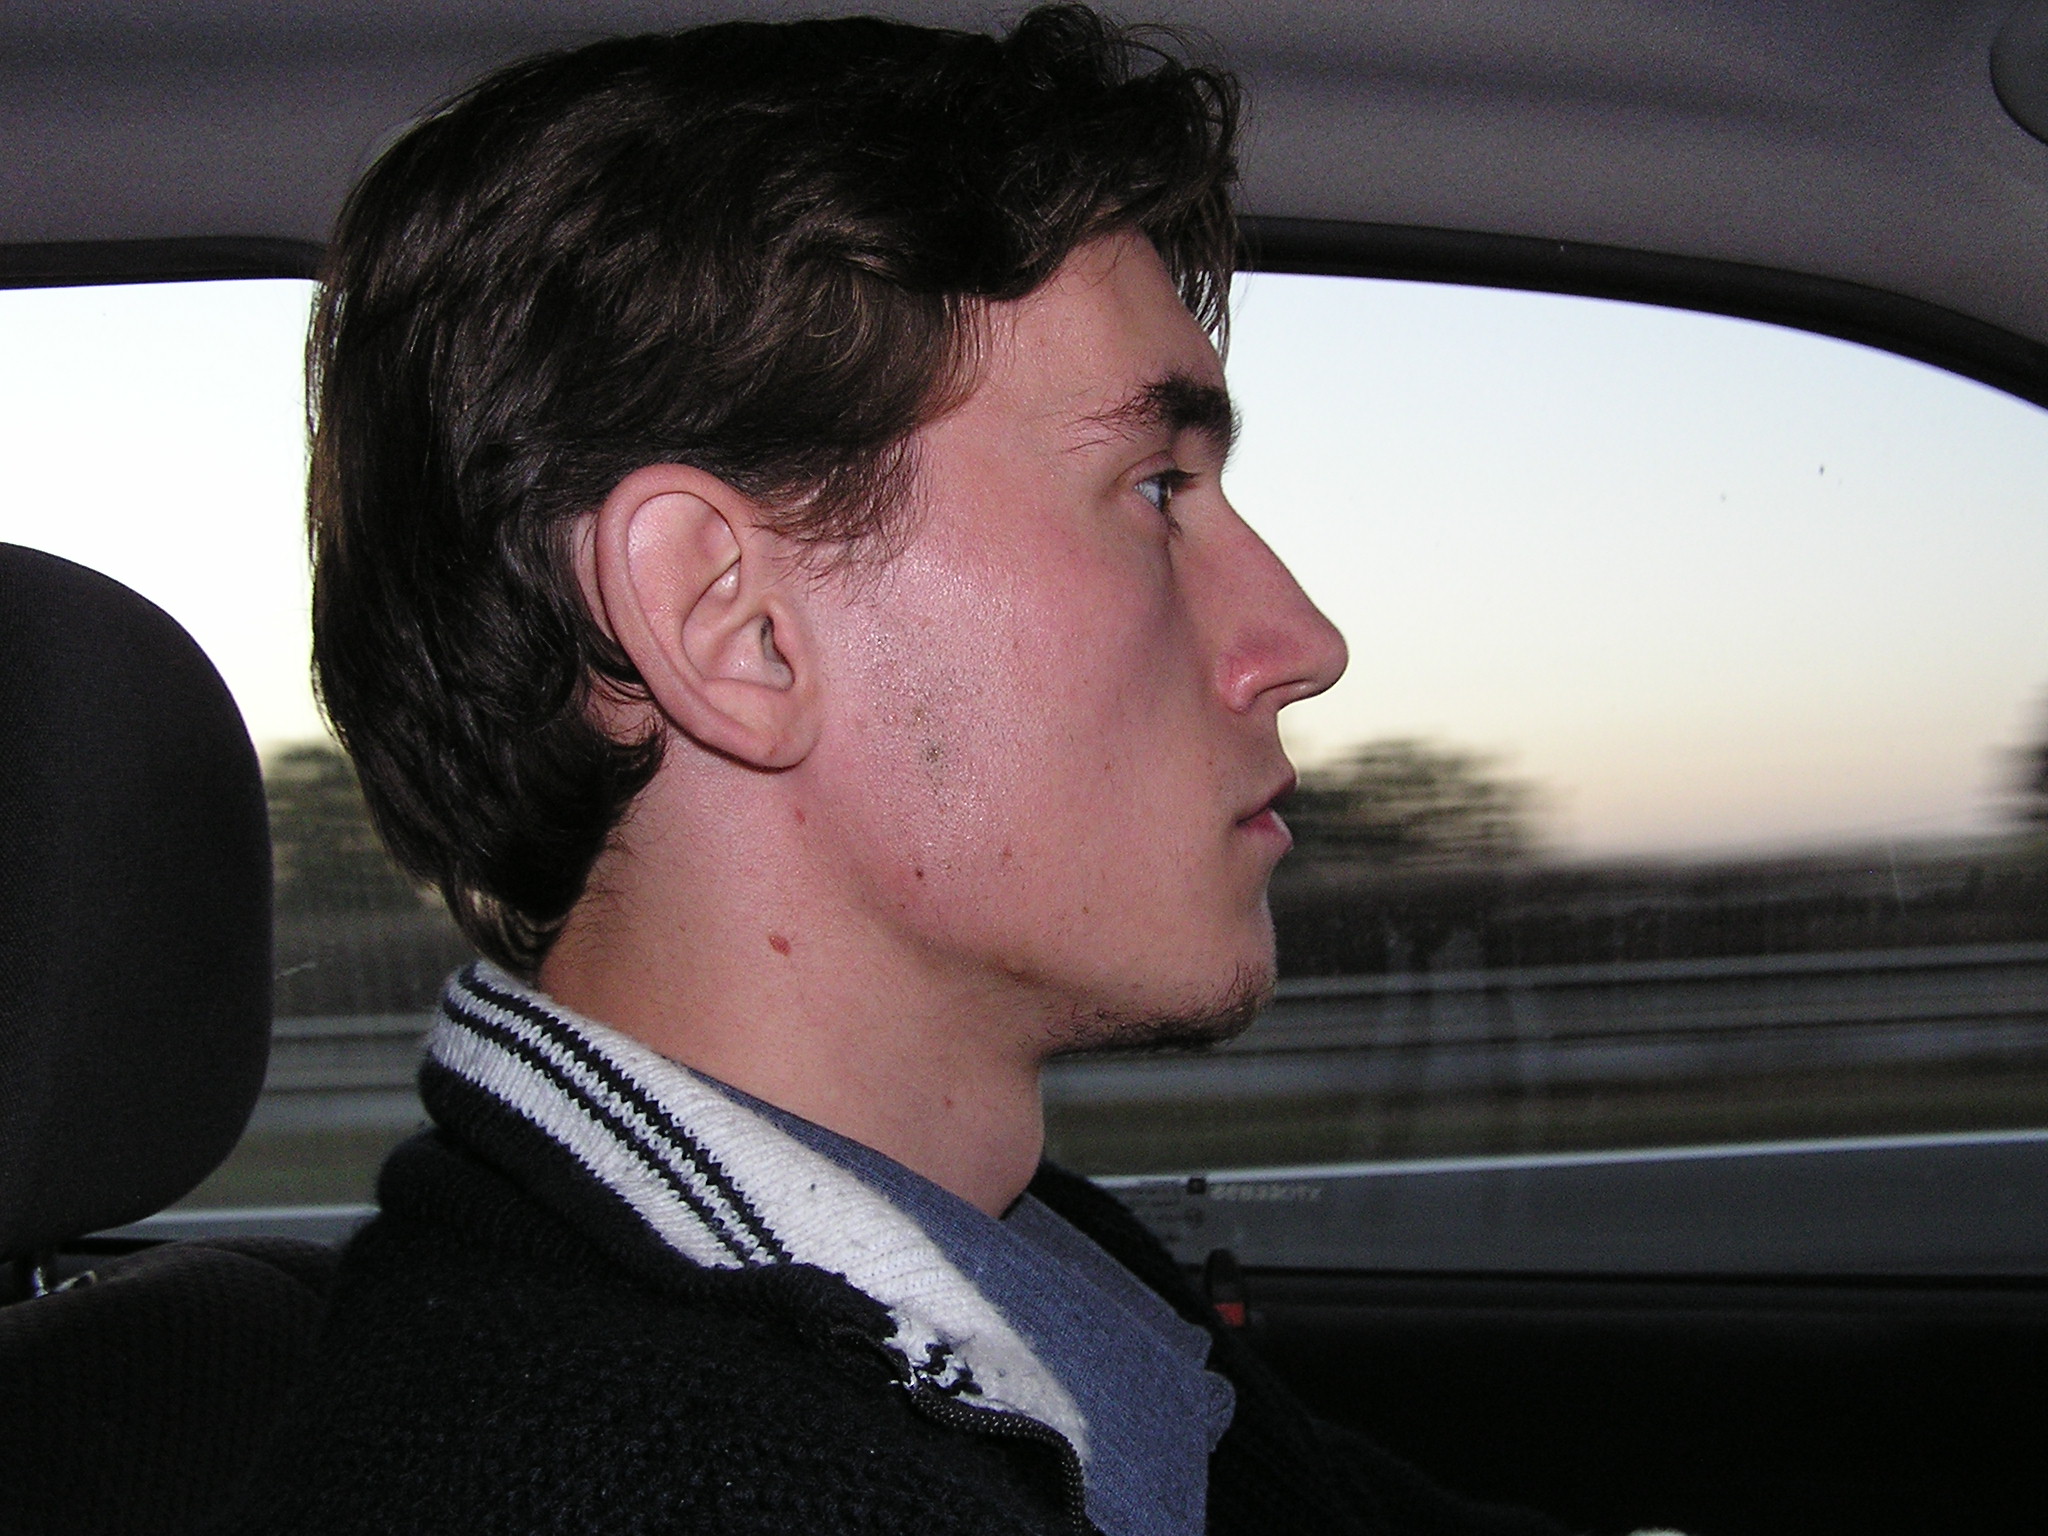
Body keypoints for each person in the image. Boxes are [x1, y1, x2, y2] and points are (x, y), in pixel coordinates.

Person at [226, 9, 1571, 1534]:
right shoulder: (659, 1486)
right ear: (732, 626)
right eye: (1154, 488)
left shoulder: (990, 1260)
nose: (1302, 643)